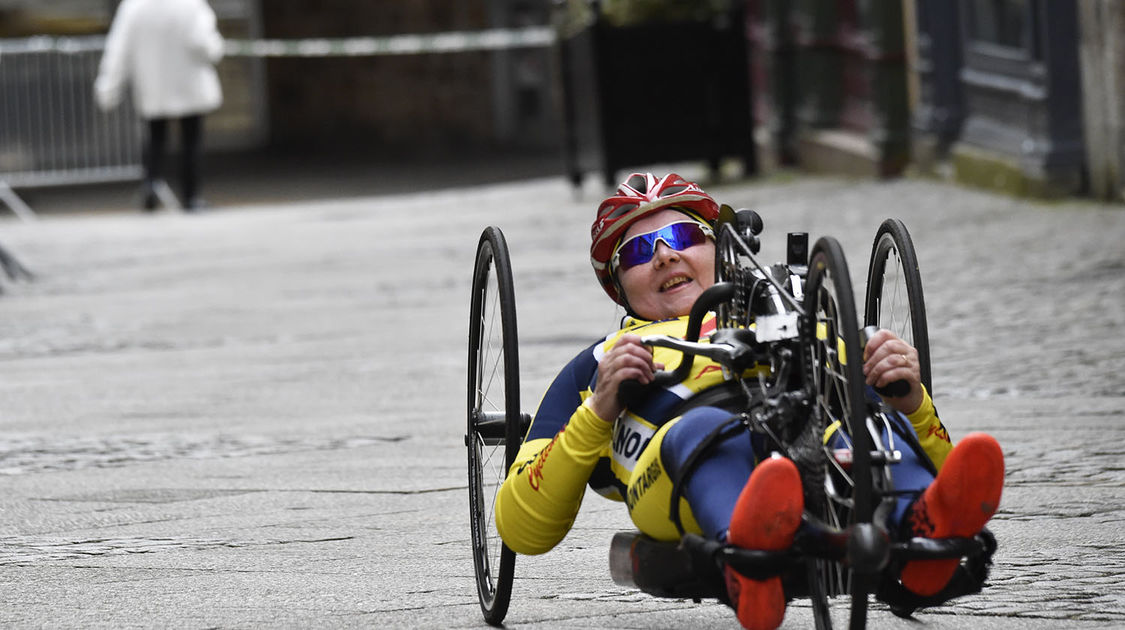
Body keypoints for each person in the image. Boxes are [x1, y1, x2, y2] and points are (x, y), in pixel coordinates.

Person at [494, 172, 1005, 630]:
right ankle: (749, 559)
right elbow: (522, 527)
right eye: (638, 251)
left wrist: (910, 399)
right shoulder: (600, 362)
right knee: (705, 431)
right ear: (617, 286)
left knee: (868, 421)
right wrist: (599, 409)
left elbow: (938, 457)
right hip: (678, 469)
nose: (666, 255)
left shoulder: (797, 318)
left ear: (718, 248)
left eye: (684, 236)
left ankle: (922, 531)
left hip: (815, 449)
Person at [95, 0, 224, 212]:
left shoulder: (134, 6)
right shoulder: (190, 5)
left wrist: (108, 87)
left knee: (155, 139)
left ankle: (152, 186)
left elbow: (119, 47)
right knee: (191, 141)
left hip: (154, 84)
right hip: (187, 83)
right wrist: (216, 49)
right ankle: (190, 197)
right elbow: (206, 43)